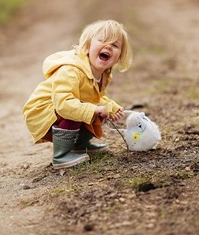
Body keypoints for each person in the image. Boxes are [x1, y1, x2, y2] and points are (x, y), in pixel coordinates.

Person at [22, 19, 133, 169]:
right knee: (79, 109)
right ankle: (61, 155)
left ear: (119, 57)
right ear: (87, 46)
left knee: (94, 110)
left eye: (114, 45)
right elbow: (64, 104)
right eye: (102, 40)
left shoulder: (103, 74)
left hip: (61, 106)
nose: (108, 46)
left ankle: (80, 145)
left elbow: (94, 97)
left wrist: (111, 107)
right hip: (43, 109)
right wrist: (93, 108)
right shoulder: (71, 70)